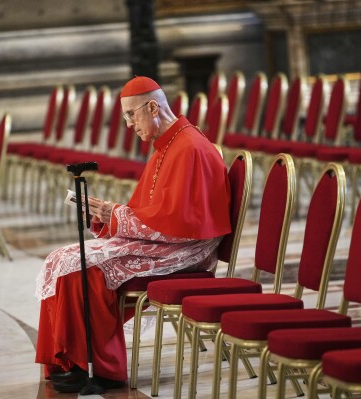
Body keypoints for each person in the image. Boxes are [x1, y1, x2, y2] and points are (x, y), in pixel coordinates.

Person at [34, 76, 232, 393]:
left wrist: (115, 214)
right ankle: (67, 363)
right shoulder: (166, 146)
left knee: (89, 270)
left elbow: (180, 222)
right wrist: (104, 216)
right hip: (165, 241)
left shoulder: (190, 147)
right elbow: (150, 210)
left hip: (187, 250)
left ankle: (105, 371)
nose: (128, 124)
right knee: (64, 260)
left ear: (152, 107)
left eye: (131, 115)